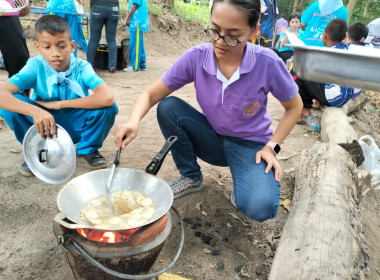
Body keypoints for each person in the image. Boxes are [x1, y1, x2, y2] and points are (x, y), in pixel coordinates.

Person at [115, 0, 303, 222]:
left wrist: (272, 147)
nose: (220, 42)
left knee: (258, 207)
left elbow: (295, 107)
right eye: (214, 30)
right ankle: (191, 176)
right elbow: (150, 95)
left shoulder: (267, 63)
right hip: (212, 138)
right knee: (169, 107)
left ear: (254, 31)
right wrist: (133, 121)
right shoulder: (198, 57)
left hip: (251, 147)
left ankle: (244, 183)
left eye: (233, 35)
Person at [0, 15, 118, 176]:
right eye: (47, 47)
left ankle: (88, 148)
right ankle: (35, 148)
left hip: (75, 123)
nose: (55, 53)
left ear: (72, 46)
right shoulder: (35, 66)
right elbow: (2, 94)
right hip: (41, 125)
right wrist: (37, 112)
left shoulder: (82, 67)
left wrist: (60, 104)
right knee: (10, 105)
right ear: (38, 47)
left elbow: (106, 97)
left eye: (61, 46)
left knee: (109, 107)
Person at [295, 18, 362, 124]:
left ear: (324, 35)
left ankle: (302, 111)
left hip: (335, 98)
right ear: (344, 37)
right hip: (344, 95)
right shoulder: (346, 49)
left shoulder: (328, 54)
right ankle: (314, 103)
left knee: (298, 72)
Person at [0, 0, 31, 98]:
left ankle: (18, 99)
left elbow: (25, 9)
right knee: (20, 60)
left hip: (8, 10)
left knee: (21, 61)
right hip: (5, 11)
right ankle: (18, 100)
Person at [86, 0, 120, 74]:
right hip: (113, 9)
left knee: (94, 39)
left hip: (97, 8)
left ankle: (90, 65)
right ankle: (112, 67)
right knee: (111, 39)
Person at [123, 0, 149, 72]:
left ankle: (134, 66)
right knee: (139, 44)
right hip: (137, 22)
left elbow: (135, 5)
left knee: (135, 45)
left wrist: (127, 17)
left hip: (136, 22)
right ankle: (141, 64)